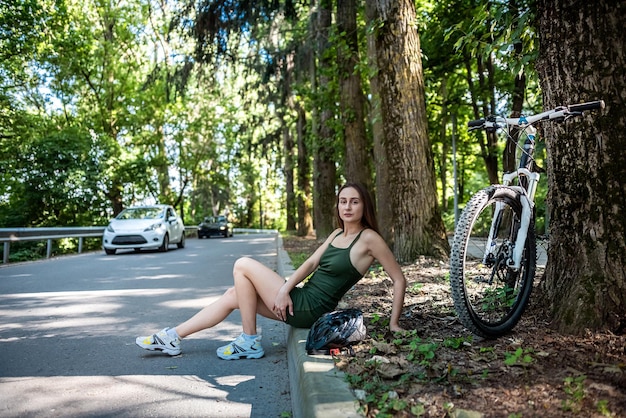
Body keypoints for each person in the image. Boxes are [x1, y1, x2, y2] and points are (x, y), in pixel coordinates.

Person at [136, 182, 407, 360]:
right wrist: (285, 289)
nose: (347, 207)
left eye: (354, 202)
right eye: (343, 201)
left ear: (364, 206)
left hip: (311, 308)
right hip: (301, 298)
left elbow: (399, 279)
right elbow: (310, 264)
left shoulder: (369, 239)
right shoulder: (337, 233)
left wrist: (394, 324)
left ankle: (249, 341)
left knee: (242, 264)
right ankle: (173, 337)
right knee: (234, 294)